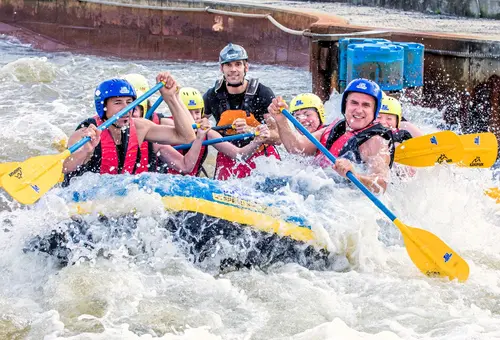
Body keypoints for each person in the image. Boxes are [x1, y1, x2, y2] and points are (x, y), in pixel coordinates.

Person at [62, 72, 195, 185]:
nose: (125, 109)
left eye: (129, 102)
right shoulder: (84, 133)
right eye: (118, 103)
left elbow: (187, 137)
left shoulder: (140, 127)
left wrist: (171, 97)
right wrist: (85, 151)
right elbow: (64, 167)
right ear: (103, 107)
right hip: (82, 204)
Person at [268, 78, 394, 194]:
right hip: (314, 191)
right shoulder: (334, 128)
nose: (359, 110)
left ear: (374, 110)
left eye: (366, 105)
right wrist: (281, 120)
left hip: (343, 202)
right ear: (345, 105)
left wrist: (355, 176)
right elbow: (296, 148)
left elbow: (381, 185)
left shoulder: (376, 141)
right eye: (354, 103)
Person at [203, 43, 281, 180]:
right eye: (228, 65)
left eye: (238, 64)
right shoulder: (212, 96)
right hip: (227, 158)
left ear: (246, 67)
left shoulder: (262, 94)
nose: (233, 70)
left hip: (261, 158)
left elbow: (278, 137)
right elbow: (192, 125)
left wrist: (251, 130)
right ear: (221, 68)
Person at [161, 87, 272, 177]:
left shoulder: (206, 133)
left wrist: (257, 141)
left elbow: (239, 155)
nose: (194, 117)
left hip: (190, 184)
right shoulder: (166, 124)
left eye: (197, 112)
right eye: (188, 113)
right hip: (165, 181)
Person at [122, 73, 168, 173]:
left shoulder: (155, 124)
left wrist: (173, 97)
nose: (130, 113)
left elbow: (187, 135)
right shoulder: (111, 126)